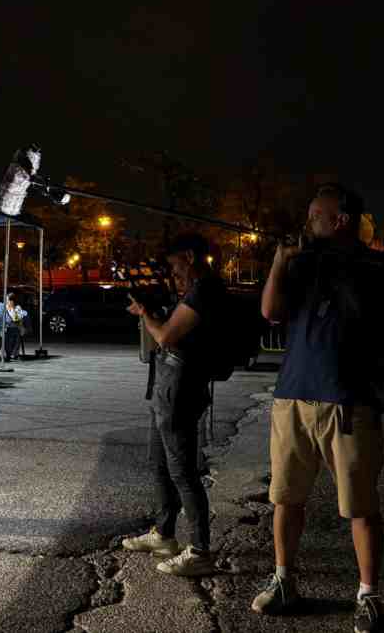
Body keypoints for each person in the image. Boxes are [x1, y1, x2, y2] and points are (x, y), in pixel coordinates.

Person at [252, 184, 384, 632]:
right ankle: (284, 581)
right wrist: (280, 260)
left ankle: (368, 595)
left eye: (315, 215)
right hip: (293, 398)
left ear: (340, 219)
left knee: (360, 506)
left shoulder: (382, 268)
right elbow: (271, 311)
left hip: (352, 403)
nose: (308, 222)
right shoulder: (303, 262)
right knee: (285, 498)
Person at [121, 231, 224, 578]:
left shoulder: (204, 290)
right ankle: (164, 534)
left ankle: (200, 550)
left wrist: (145, 313)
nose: (173, 271)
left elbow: (165, 336)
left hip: (180, 389)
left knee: (182, 470)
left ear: (190, 257)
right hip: (166, 387)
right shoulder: (192, 291)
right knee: (160, 464)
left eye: (175, 264)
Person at [4, 293, 27, 361]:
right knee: (8, 332)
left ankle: (13, 353)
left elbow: (16, 319)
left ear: (12, 301)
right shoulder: (4, 307)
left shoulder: (17, 308)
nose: (7, 302)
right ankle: (9, 353)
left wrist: (12, 309)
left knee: (14, 331)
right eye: (6, 300)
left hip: (17, 327)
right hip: (7, 327)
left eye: (8, 300)